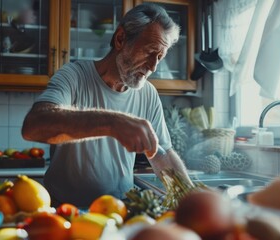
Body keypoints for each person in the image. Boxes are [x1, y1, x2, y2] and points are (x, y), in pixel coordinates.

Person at [22, 3, 192, 208]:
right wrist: (113, 123)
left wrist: (191, 197)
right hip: (66, 211)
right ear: (120, 39)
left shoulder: (148, 93)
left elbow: (163, 154)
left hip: (120, 209)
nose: (153, 66)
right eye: (149, 52)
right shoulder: (74, 76)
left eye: (159, 57)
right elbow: (34, 126)